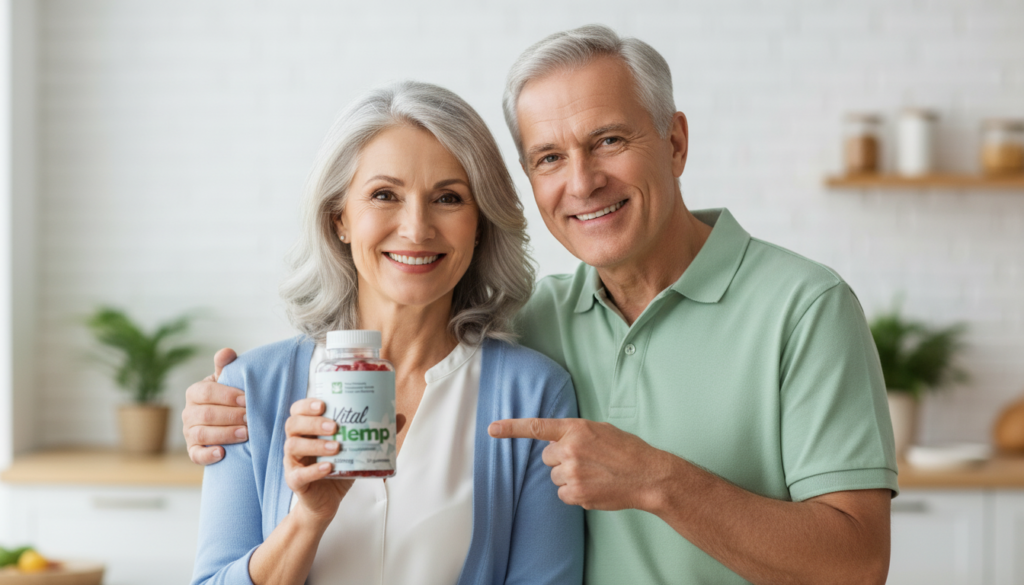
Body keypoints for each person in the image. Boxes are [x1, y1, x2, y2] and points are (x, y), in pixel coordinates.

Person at [184, 26, 897, 585]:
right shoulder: (542, 319)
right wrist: (218, 410)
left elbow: (858, 564)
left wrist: (658, 480)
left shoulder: (804, 307)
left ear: (675, 142)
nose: (582, 181)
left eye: (610, 140)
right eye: (550, 156)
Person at [189, 81, 583, 585]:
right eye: (384, 195)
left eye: (448, 197)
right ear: (340, 219)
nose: (417, 228)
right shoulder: (250, 390)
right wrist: (307, 520)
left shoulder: (533, 393)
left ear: (480, 223)